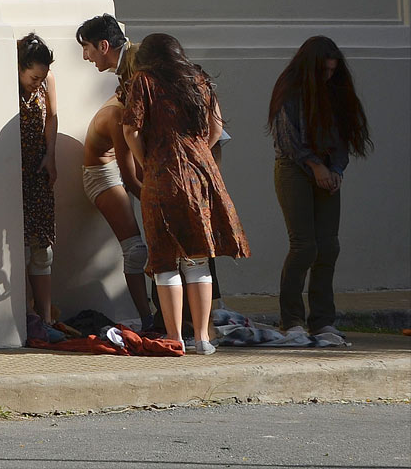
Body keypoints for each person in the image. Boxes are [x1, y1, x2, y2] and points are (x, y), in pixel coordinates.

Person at [121, 33, 249, 355]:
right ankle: (204, 339)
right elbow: (216, 128)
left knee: (165, 261)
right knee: (198, 259)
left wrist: (146, 159)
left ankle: (175, 337)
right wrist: (197, 152)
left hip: (163, 174)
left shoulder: (144, 81)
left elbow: (130, 128)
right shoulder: (199, 79)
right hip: (201, 175)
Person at [267, 36, 371, 337]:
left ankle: (323, 320)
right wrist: (316, 166)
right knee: (304, 247)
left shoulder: (335, 92)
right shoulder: (289, 91)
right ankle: (292, 320)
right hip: (294, 168)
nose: (328, 77)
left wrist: (335, 170)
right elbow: (288, 140)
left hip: (327, 168)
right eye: (323, 71)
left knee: (328, 246)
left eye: (332, 71)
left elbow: (343, 137)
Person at [81, 94, 153, 327]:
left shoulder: (142, 106)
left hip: (122, 167)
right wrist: (159, 207)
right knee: (135, 251)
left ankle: (173, 315)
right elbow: (131, 177)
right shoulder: (118, 115)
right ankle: (147, 319)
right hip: (102, 174)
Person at [17, 33, 58, 324]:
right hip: (15, 173)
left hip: (38, 168)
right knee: (18, 247)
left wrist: (51, 155)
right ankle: (24, 314)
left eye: (41, 78)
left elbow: (52, 117)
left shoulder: (46, 82)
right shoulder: (8, 84)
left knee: (41, 247)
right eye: (33, 77)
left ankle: (44, 316)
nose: (38, 83)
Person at [76, 14, 135, 100]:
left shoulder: (138, 62)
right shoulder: (125, 65)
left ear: (103, 46)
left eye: (86, 49)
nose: (85, 57)